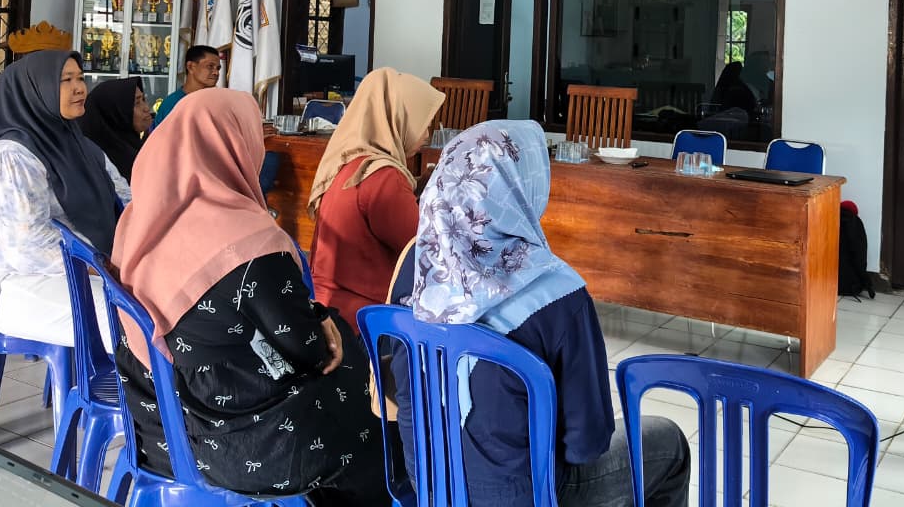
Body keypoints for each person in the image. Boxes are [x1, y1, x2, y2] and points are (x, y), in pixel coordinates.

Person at [388, 120, 690, 506]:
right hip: (529, 497)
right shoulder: (558, 293)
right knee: (668, 441)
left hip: (429, 487)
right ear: (523, 185)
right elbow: (586, 444)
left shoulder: (418, 266)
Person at [111, 89, 388, 503]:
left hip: (157, 425)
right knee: (370, 406)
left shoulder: (140, 221)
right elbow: (309, 351)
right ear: (235, 145)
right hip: (236, 444)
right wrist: (322, 322)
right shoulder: (248, 243)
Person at [0, 50, 129, 347]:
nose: (79, 88)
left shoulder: (81, 146)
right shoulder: (12, 158)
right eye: (66, 80)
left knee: (165, 300)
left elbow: (126, 199)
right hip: (18, 282)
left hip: (83, 267)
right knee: (131, 318)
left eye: (80, 78)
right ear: (35, 91)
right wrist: (103, 264)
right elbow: (28, 247)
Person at [308, 68, 444, 334]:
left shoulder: (348, 163)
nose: (427, 134)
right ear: (396, 119)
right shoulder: (384, 177)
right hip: (366, 322)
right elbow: (424, 249)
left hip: (329, 307)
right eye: (422, 123)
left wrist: (418, 186)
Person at [79, 76, 153, 182]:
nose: (146, 108)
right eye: (137, 103)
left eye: (143, 100)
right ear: (114, 113)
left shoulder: (135, 147)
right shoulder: (102, 163)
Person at [152, 44, 220, 127]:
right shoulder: (173, 104)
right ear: (190, 67)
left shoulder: (217, 102)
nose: (216, 73)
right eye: (210, 66)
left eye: (218, 68)